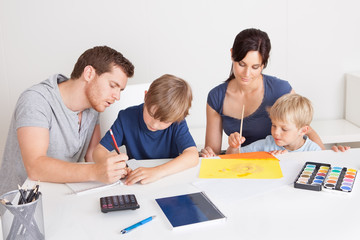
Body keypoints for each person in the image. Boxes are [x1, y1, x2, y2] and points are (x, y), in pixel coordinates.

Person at [0, 46, 134, 195]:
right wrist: (97, 171)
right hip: (21, 203)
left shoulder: (93, 108)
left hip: (62, 195)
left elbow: (92, 156)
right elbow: (35, 167)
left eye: (120, 90)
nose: (117, 96)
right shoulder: (36, 100)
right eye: (112, 86)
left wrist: (112, 168)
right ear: (89, 73)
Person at [200, 28, 324, 157]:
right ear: (232, 54)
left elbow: (302, 127)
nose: (246, 74)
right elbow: (214, 152)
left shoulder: (280, 89)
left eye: (255, 67)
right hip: (240, 160)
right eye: (241, 64)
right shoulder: (216, 97)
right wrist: (209, 154)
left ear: (264, 63)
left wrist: (330, 155)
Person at [93, 74, 199, 185]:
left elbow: (192, 156)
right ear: (145, 96)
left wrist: (157, 172)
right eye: (152, 114)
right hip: (136, 182)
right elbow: (99, 151)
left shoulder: (177, 122)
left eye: (165, 122)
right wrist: (115, 167)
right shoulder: (126, 117)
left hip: (167, 181)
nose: (155, 124)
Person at [227, 94, 324, 154]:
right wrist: (233, 147)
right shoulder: (267, 144)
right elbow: (234, 157)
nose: (276, 133)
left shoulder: (313, 150)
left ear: (303, 130)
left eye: (284, 129)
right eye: (274, 125)